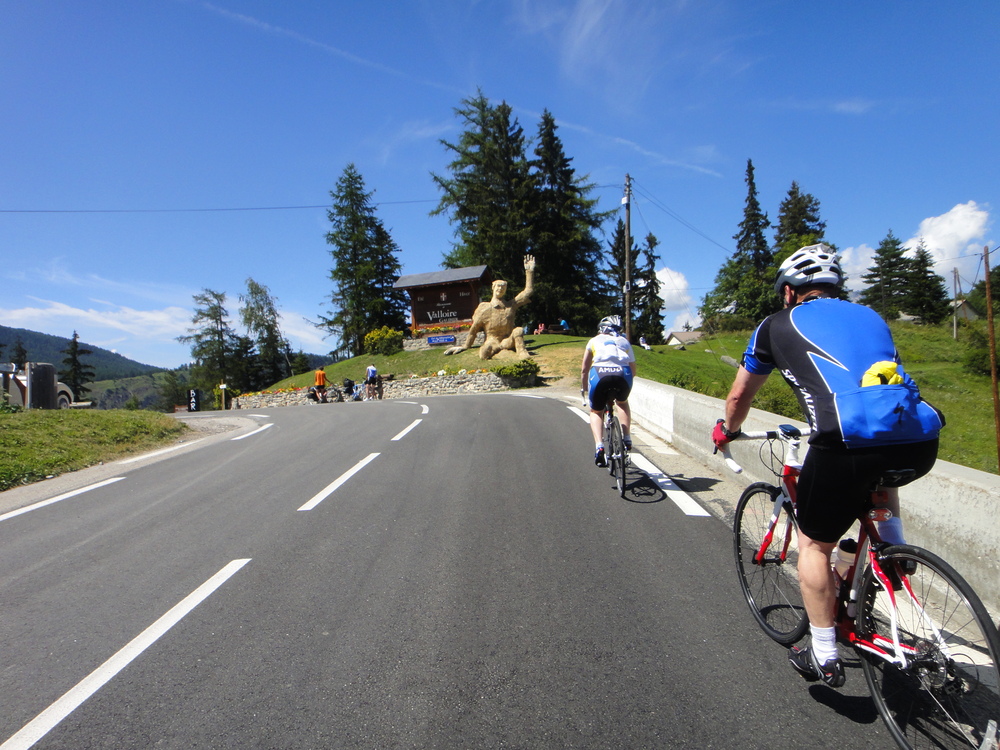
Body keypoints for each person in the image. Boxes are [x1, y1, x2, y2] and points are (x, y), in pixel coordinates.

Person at [711, 243, 943, 688]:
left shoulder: (774, 325)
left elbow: (740, 395)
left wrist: (727, 428)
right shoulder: (873, 317)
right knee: (874, 480)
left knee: (815, 545)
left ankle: (822, 654)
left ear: (789, 292)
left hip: (845, 446)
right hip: (918, 441)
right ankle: (891, 548)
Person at [581, 315, 636, 467]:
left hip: (599, 374)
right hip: (622, 375)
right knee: (622, 402)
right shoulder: (624, 341)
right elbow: (634, 370)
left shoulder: (593, 341)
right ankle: (627, 437)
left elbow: (584, 369)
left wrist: (584, 388)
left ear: (601, 329)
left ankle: (599, 446)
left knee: (596, 411)